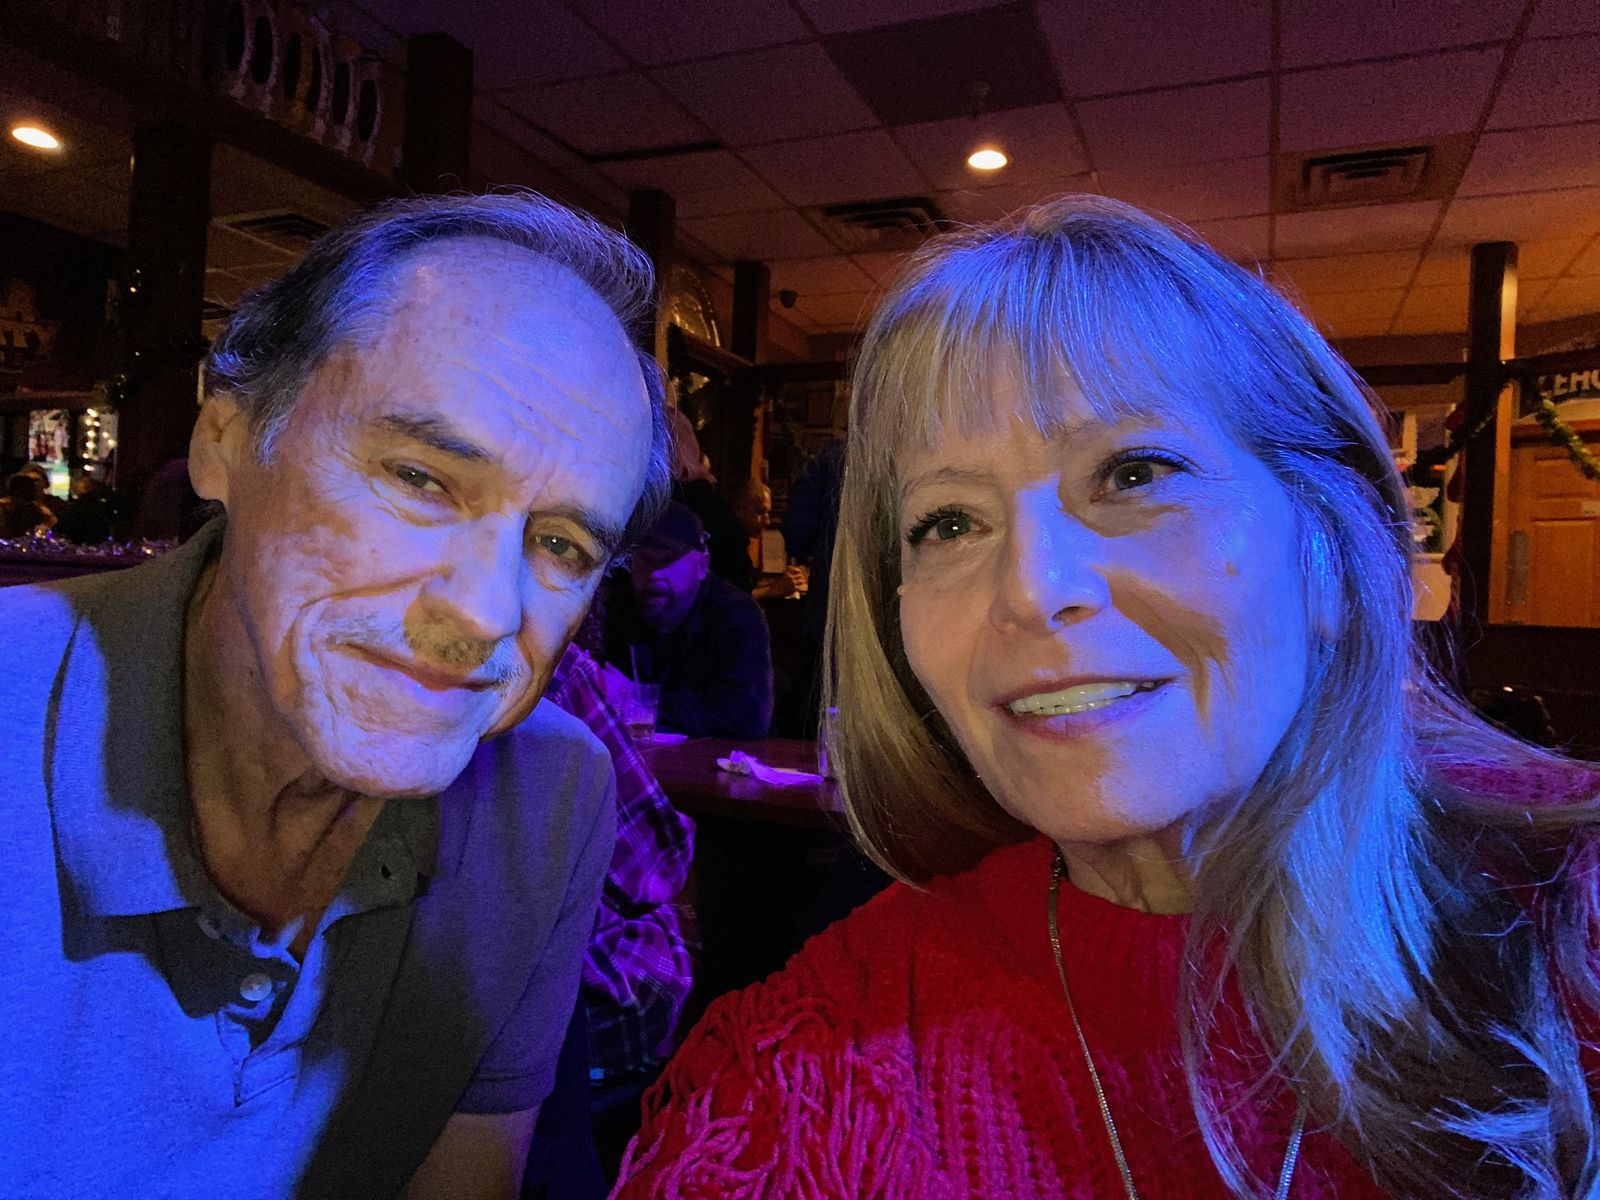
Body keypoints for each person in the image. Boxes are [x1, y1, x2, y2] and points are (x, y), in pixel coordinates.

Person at [615, 197, 1600, 1199]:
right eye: (948, 523)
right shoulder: (799, 1081)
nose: (1032, 589)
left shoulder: (1574, 927)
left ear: (1334, 554)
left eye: (1134, 472)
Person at [0, 191, 672, 1199]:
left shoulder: (550, 795)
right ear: (225, 440)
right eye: (420, 478)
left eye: (561, 545)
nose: (487, 612)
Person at [601, 501, 773, 739]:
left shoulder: (735, 614)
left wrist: (637, 701)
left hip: (708, 762)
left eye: (668, 560)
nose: (655, 573)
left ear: (702, 566)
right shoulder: (614, 608)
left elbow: (749, 714)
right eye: (645, 559)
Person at [0, 468, 56, 537]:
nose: (33, 484)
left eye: (36, 480)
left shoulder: (57, 505)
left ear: (45, 483)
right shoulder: (6, 507)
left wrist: (50, 518)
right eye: (28, 481)